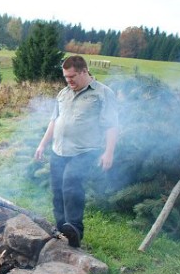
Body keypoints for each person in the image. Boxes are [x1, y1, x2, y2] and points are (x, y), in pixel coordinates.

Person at [34, 55, 118, 248]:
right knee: (57, 191)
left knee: (71, 184)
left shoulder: (103, 93)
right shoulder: (63, 93)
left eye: (72, 76)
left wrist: (109, 152)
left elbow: (112, 125)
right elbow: (54, 121)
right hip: (59, 150)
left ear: (84, 71)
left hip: (85, 150)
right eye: (66, 77)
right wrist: (42, 145)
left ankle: (75, 232)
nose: (68, 80)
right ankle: (61, 230)